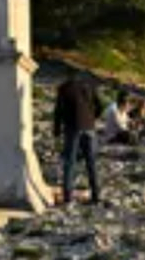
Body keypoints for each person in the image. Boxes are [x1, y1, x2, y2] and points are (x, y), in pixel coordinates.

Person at [52, 71, 101, 206]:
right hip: (89, 128)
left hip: (73, 128)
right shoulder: (89, 86)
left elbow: (58, 111)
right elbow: (99, 107)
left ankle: (68, 197)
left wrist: (56, 131)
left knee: (70, 162)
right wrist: (91, 119)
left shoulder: (64, 88)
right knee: (91, 163)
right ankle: (96, 196)